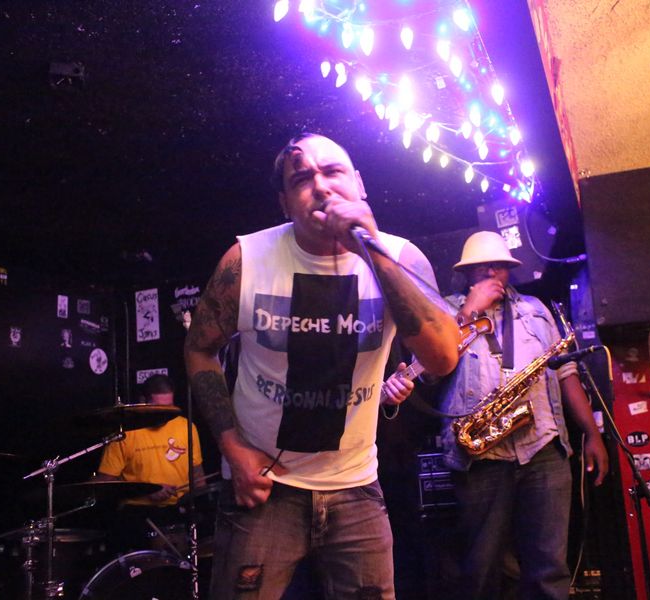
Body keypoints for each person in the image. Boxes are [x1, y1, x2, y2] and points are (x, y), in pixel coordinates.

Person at [184, 132, 460, 600]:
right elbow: (199, 349)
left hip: (356, 484)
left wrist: (371, 251)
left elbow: (443, 357)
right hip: (265, 484)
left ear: (359, 184)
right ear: (285, 203)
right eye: (302, 179)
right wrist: (233, 449)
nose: (321, 186)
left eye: (333, 172)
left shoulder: (401, 257)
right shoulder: (246, 260)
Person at [436, 231, 609, 600]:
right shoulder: (444, 313)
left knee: (549, 569)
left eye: (499, 266)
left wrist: (592, 434)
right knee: (480, 569)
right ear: (466, 273)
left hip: (542, 449)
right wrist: (469, 312)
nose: (491, 273)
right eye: (482, 267)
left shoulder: (536, 310)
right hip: (480, 457)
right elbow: (432, 370)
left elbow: (566, 373)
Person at [94, 374, 205, 551]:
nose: (164, 415)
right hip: (137, 512)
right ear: (143, 401)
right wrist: (146, 491)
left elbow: (198, 475)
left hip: (177, 510)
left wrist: (200, 498)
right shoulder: (126, 432)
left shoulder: (186, 427)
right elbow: (105, 484)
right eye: (158, 408)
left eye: (169, 408)